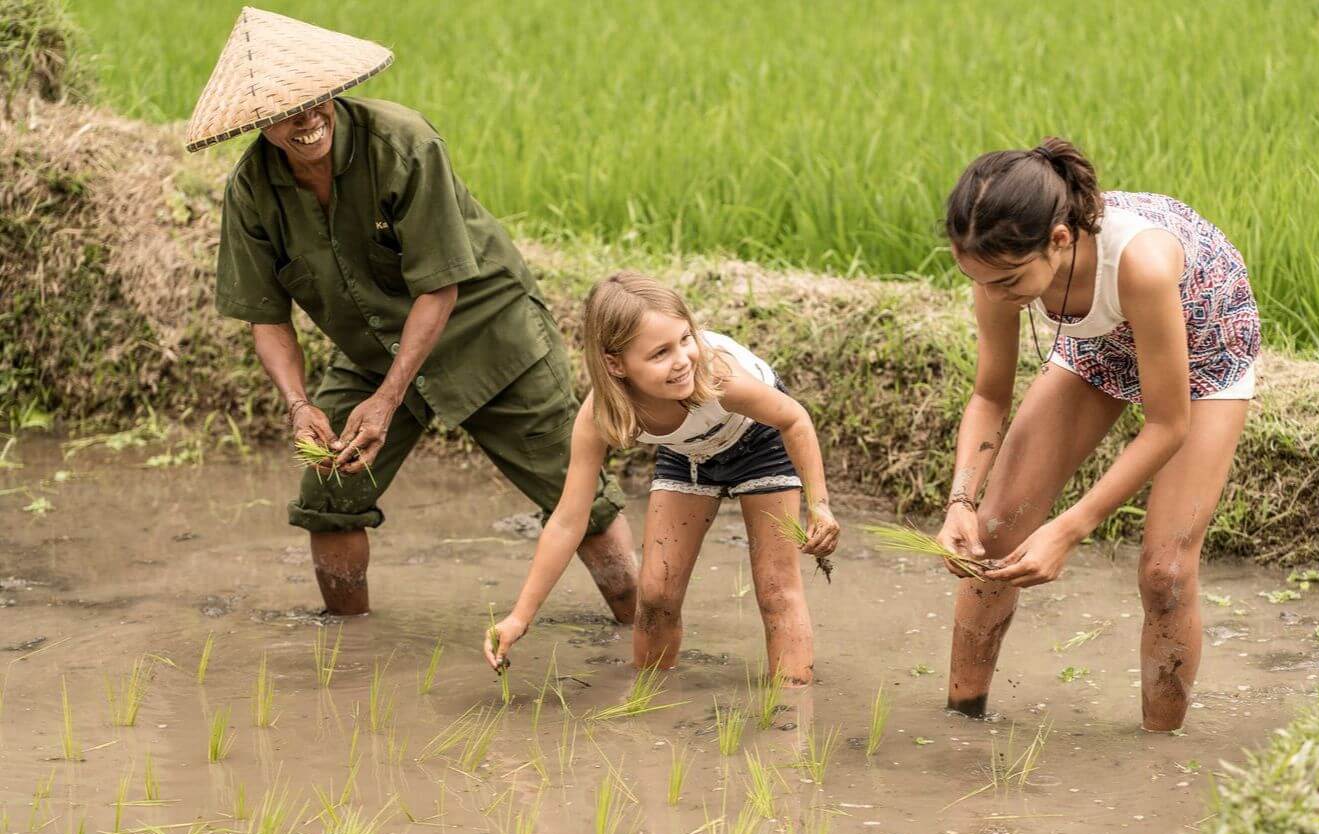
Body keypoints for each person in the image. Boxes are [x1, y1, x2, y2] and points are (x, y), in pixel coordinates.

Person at [186, 8, 636, 618]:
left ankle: (642, 636)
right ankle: (348, 647)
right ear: (258, 123)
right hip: (375, 348)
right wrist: (299, 405)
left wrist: (389, 398)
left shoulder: (401, 144)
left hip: (486, 333)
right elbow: (266, 318)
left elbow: (441, 289)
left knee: (578, 499)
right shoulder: (252, 191)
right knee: (328, 494)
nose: (307, 119)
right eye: (284, 113)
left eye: (316, 100)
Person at [937, 137, 1260, 731]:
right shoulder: (997, 270)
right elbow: (989, 395)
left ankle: (1159, 762)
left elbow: (1167, 425)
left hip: (1205, 348)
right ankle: (961, 726)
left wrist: (1069, 528)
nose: (993, 296)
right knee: (993, 533)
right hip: (1102, 344)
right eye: (977, 280)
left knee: (1165, 571)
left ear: (1059, 240)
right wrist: (961, 499)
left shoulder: (1142, 263)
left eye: (1007, 282)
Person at [484, 273, 839, 684]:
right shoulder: (601, 414)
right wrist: (518, 618)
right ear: (615, 364)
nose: (682, 360)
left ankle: (790, 716)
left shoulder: (715, 373)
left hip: (760, 438)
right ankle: (650, 700)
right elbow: (567, 519)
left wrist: (820, 505)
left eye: (685, 338)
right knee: (655, 597)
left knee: (777, 592)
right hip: (689, 453)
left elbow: (793, 418)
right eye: (659, 353)